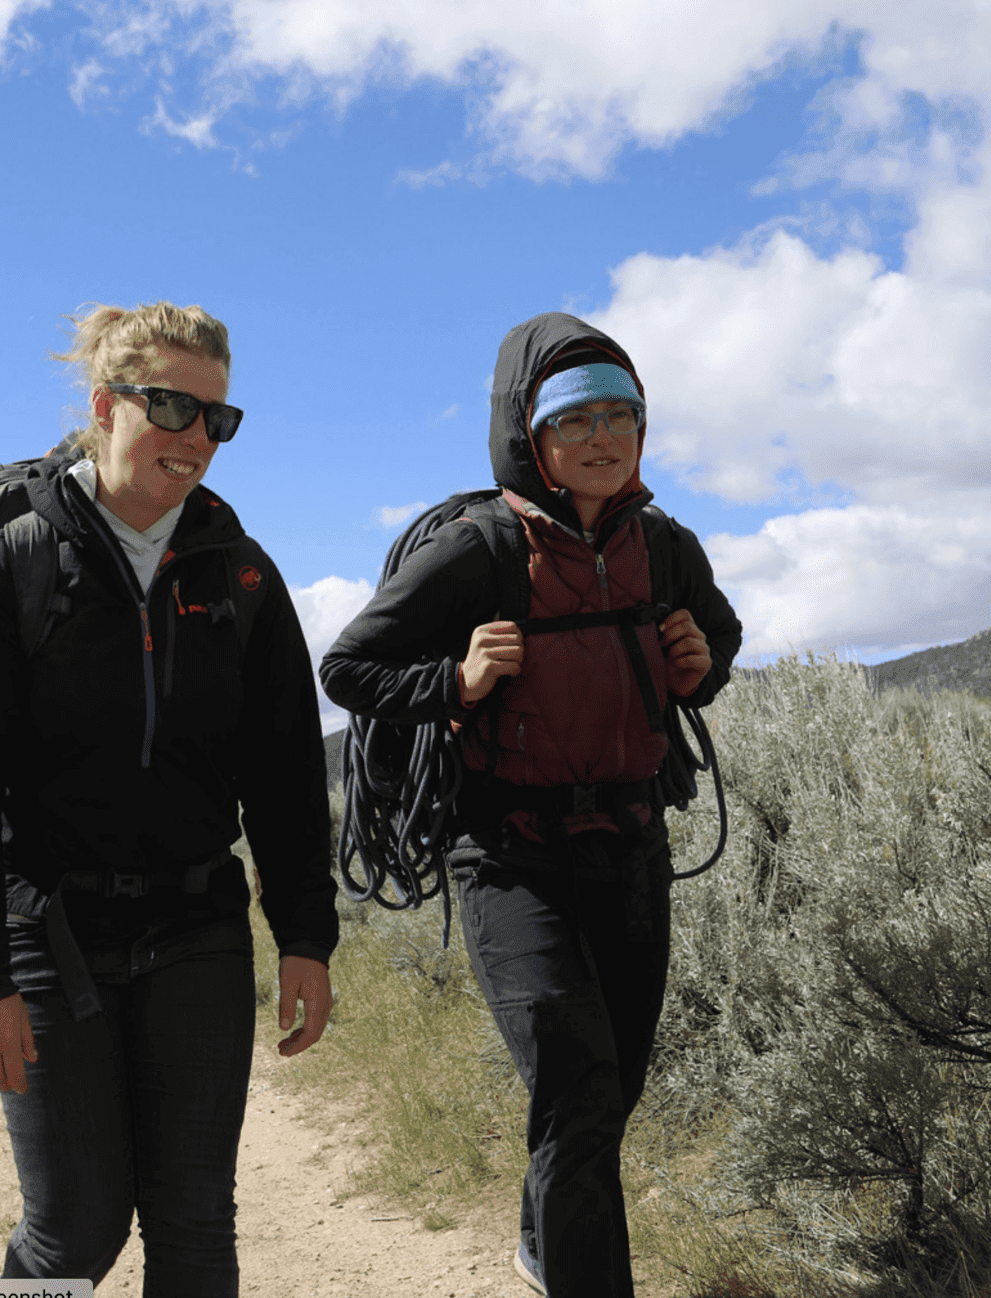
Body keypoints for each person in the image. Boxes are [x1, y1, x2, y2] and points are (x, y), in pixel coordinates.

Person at [0, 302, 339, 1295]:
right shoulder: (10, 570)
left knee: (195, 1224)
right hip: (49, 935)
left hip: (196, 929)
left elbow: (283, 778)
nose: (193, 438)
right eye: (169, 408)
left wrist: (305, 937)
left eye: (215, 420)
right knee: (73, 1228)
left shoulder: (241, 578)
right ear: (106, 406)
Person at [320, 313, 741, 1298]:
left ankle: (542, 1239)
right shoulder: (479, 549)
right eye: (574, 417)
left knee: (606, 1094)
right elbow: (348, 665)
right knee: (578, 1090)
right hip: (509, 858)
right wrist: (455, 681)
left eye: (619, 414)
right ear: (529, 435)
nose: (601, 435)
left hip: (631, 846)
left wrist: (699, 662)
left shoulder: (664, 545)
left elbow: (711, 641)